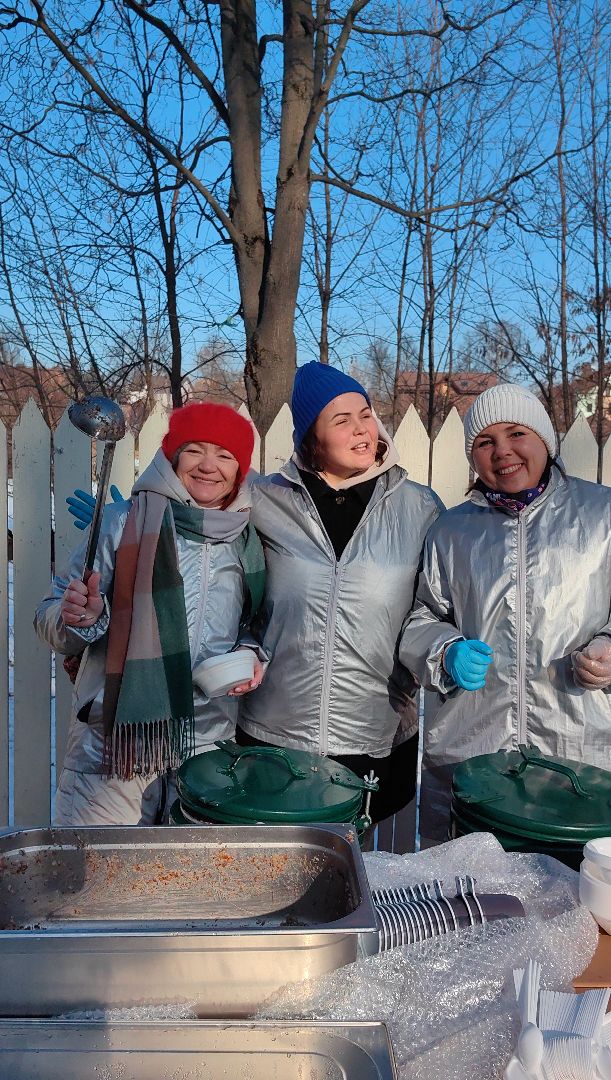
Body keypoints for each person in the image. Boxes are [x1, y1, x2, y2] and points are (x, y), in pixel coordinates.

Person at [399, 383, 611, 845]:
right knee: (472, 881)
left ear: (545, 441)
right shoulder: (451, 530)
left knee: (572, 882)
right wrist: (445, 650)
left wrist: (608, 648)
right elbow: (421, 617)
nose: (502, 451)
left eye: (517, 433)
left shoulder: (603, 515)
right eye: (485, 442)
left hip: (578, 750)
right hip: (472, 749)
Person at [36, 403, 266, 826]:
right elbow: (50, 618)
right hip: (111, 751)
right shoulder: (119, 523)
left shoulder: (247, 539)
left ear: (240, 469)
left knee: (187, 871)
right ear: (172, 457)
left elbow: (252, 625)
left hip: (206, 750)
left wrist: (251, 653)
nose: (208, 466)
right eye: (194, 450)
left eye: (225, 455)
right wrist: (81, 619)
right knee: (100, 868)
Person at [236, 362, 443, 826]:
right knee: (276, 859)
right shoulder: (265, 500)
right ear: (312, 438)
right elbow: (205, 527)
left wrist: (446, 649)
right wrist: (131, 519)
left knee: (355, 863)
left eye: (365, 414)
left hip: (374, 727)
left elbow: (433, 608)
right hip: (276, 729)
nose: (362, 429)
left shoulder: (420, 507)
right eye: (342, 420)